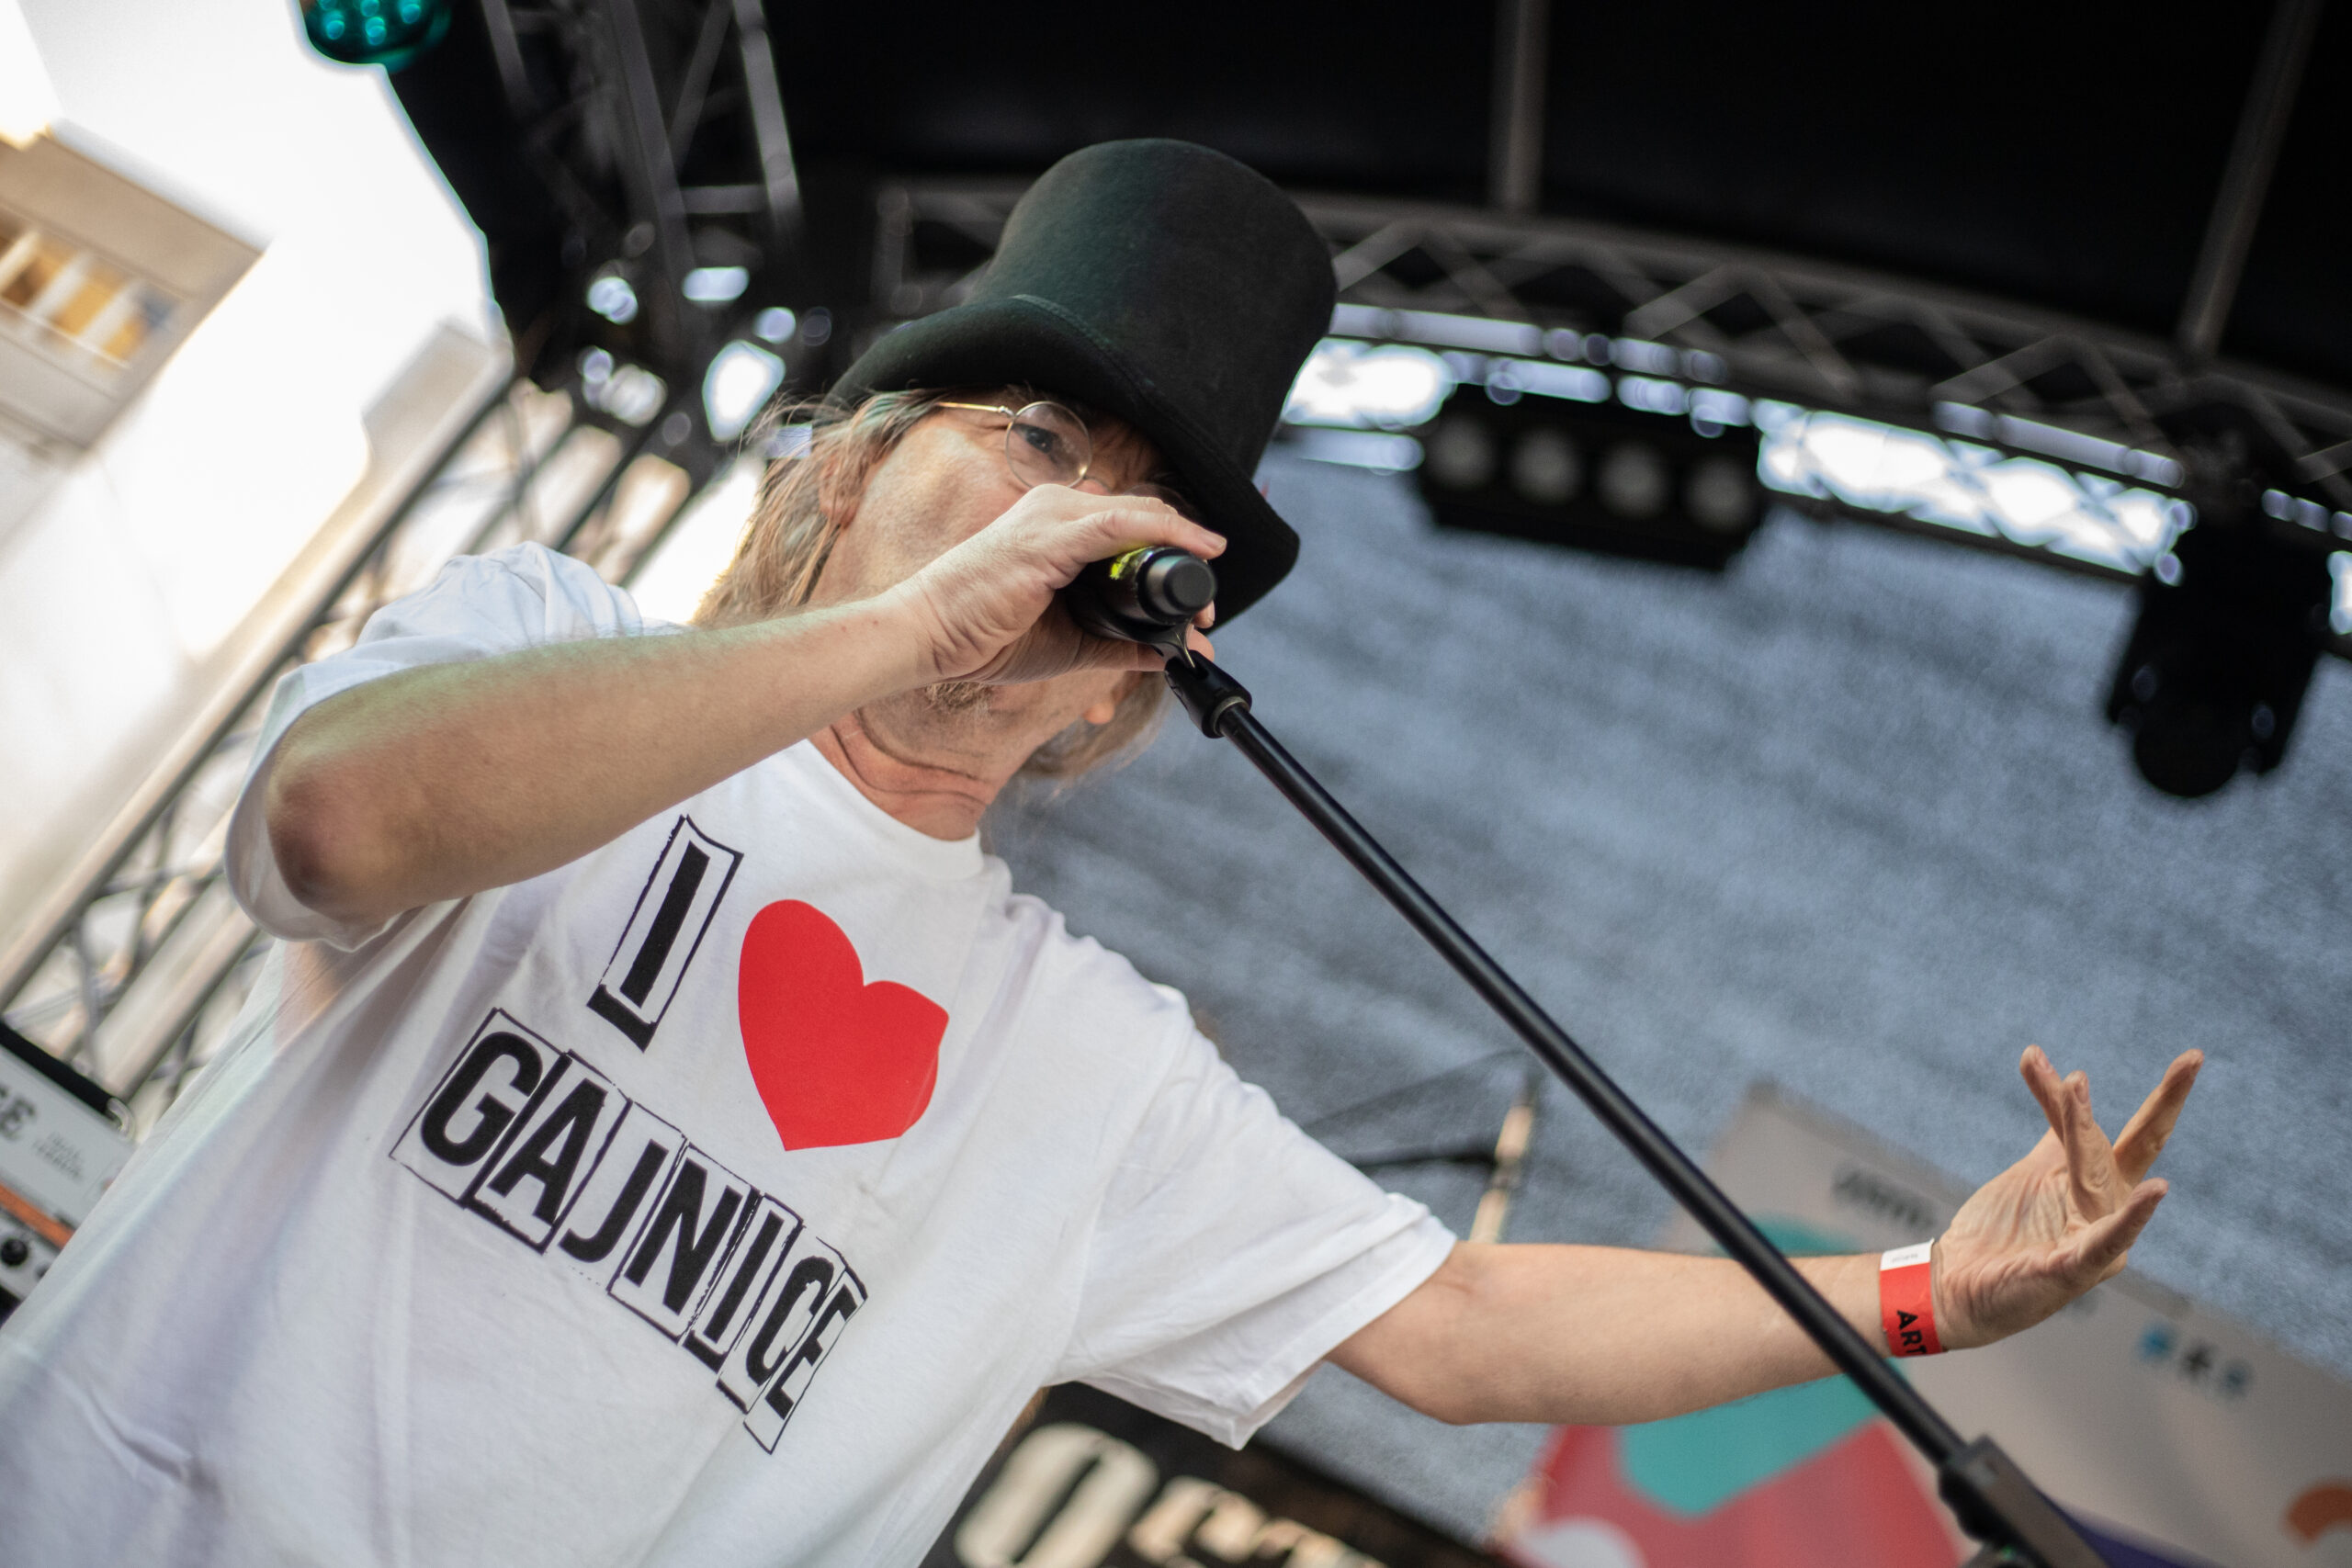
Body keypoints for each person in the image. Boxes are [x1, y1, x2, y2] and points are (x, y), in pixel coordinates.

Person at [0, 140, 2199, 1567]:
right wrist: (893, 629)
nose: (1069, 518)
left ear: (1128, 679)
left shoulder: (1082, 1058)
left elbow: (1460, 1324)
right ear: (845, 469)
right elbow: (338, 817)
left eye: (1133, 519)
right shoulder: (544, 639)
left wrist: (1929, 1291)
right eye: (1031, 438)